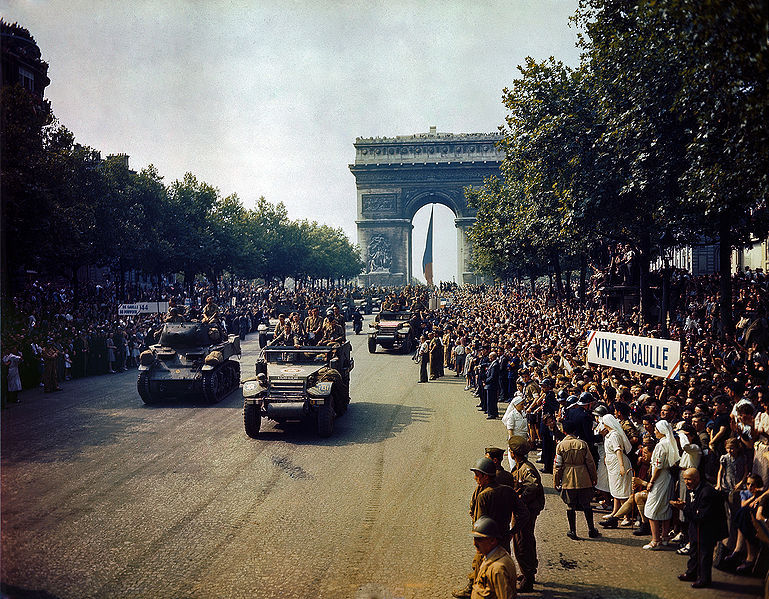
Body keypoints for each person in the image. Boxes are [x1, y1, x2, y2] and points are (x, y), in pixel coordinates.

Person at [672, 468, 728, 588]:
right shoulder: (690, 490)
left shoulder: (707, 492)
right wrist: (685, 506)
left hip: (707, 528)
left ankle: (704, 579)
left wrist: (683, 508)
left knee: (704, 555)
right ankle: (691, 573)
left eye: (689, 479)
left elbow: (701, 515)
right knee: (693, 551)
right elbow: (693, 509)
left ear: (697, 479)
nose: (686, 482)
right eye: (685, 479)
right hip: (695, 526)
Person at [508, 436, 545, 593]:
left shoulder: (526, 469)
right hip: (524, 510)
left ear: (514, 453)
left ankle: (528, 578)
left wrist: (520, 498)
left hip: (526, 512)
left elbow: (533, 486)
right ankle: (527, 573)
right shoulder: (519, 467)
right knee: (523, 540)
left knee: (523, 542)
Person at [554, 419, 600, 540]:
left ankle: (573, 530)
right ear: (575, 431)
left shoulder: (560, 446)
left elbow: (558, 466)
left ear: (564, 431)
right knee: (586, 504)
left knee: (570, 505)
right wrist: (593, 478)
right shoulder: (582, 444)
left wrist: (556, 481)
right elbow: (590, 463)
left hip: (568, 478)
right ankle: (591, 529)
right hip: (583, 477)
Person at [643, 419, 680, 550]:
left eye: (656, 430)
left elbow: (658, 466)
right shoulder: (670, 442)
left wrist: (651, 482)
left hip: (660, 479)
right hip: (667, 477)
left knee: (652, 508)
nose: (655, 431)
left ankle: (655, 540)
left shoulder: (661, 445)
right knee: (664, 507)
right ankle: (664, 537)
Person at [468, 516, 518, 599]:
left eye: (479, 540)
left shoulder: (497, 569)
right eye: (474, 539)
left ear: (492, 541)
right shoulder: (491, 555)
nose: (474, 544)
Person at [599, 413, 634, 522]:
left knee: (622, 489)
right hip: (612, 465)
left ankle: (626, 516)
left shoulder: (614, 435)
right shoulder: (609, 434)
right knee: (615, 489)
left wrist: (621, 466)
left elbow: (618, 450)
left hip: (618, 463)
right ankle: (615, 512)